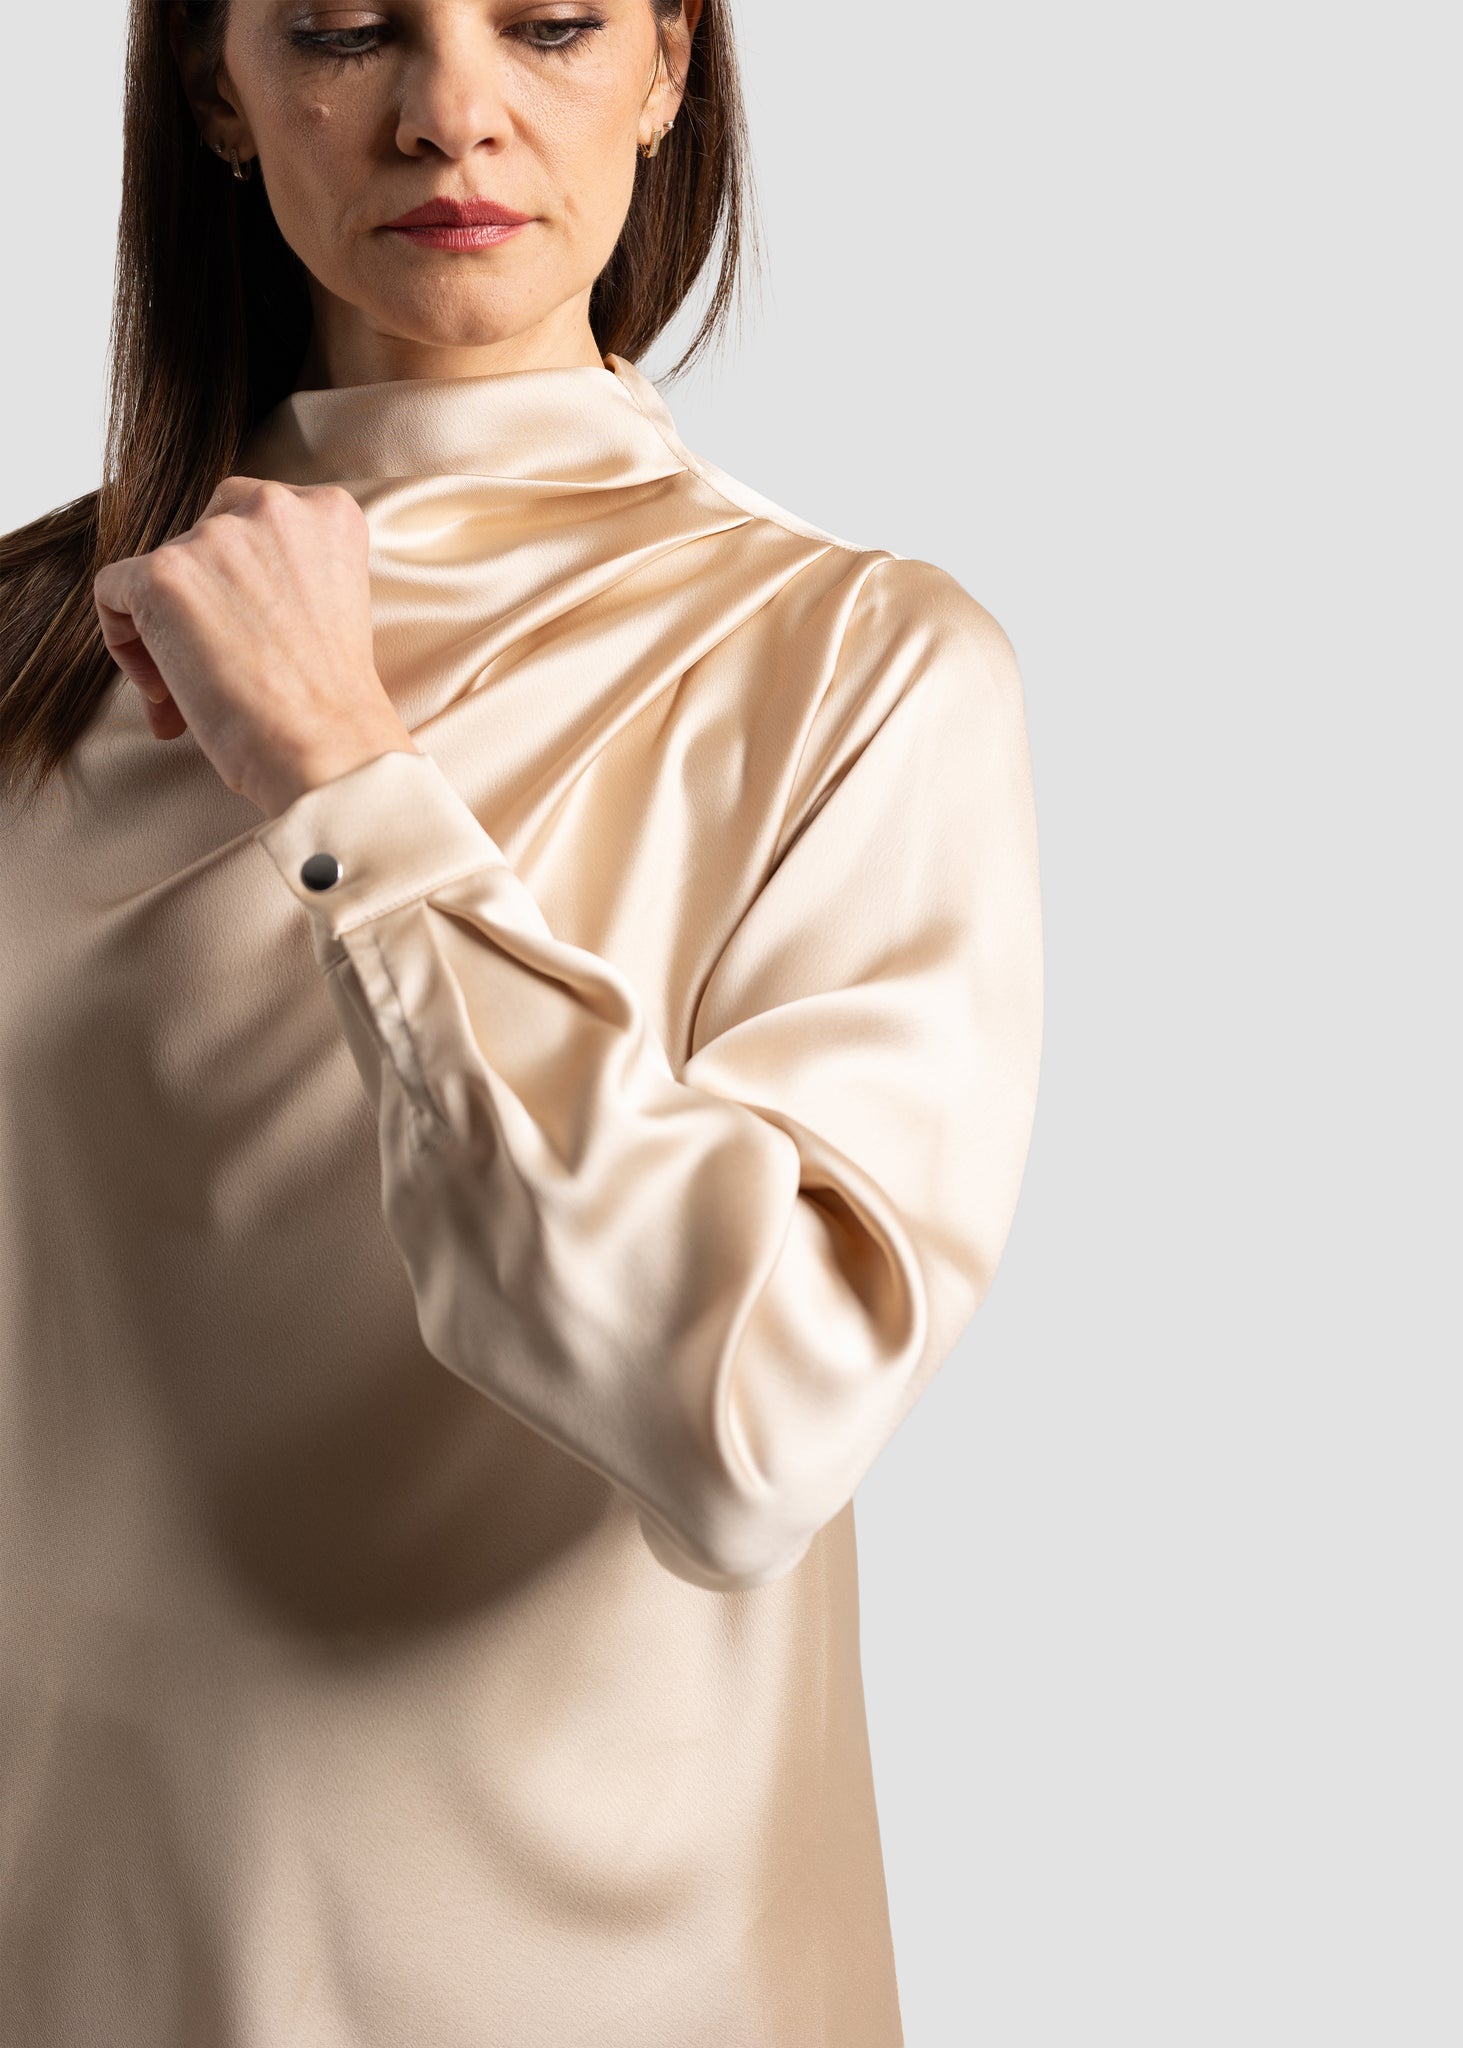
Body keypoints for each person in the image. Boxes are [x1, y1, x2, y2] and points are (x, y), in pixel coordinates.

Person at [0, 1, 1043, 2041]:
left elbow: (746, 1428)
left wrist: (344, 775)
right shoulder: (37, 658)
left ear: (668, 66)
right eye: (347, 29)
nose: (452, 112)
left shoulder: (853, 671)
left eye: (551, 23)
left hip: (625, 1985)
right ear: (217, 83)